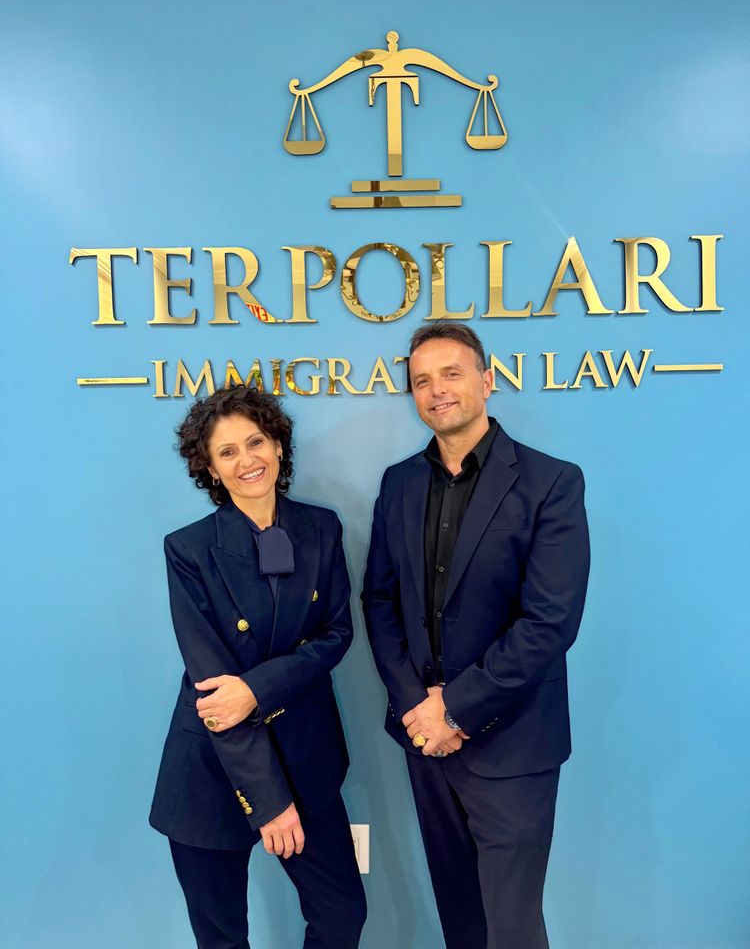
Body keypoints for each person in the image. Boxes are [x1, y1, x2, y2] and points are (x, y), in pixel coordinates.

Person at [362, 322, 590, 949]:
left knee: (512, 929)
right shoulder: (398, 483)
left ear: (487, 381)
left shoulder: (552, 483)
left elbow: (550, 621)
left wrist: (455, 710)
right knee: (460, 920)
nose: (436, 390)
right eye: (421, 381)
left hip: (511, 741)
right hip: (424, 739)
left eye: (452, 373)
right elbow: (379, 600)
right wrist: (415, 705)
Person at [149, 386, 366, 949]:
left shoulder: (322, 528)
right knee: (222, 939)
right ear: (211, 469)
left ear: (277, 444)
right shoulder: (188, 550)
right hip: (215, 768)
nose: (247, 461)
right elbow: (215, 691)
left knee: (343, 915)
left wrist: (254, 688)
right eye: (227, 452)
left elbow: (336, 633)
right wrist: (269, 802)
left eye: (255, 441)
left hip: (307, 759)